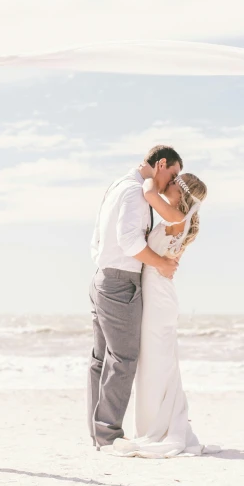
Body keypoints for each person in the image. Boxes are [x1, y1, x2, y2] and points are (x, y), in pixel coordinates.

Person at [109, 171, 221, 458]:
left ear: (179, 192)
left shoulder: (176, 218)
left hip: (159, 299)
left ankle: (155, 428)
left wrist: (147, 177)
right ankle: (154, 423)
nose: (165, 185)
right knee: (157, 361)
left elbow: (147, 193)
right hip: (159, 296)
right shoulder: (176, 220)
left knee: (156, 361)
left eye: (172, 183)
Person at [88, 145, 183, 449]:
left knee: (101, 360)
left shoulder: (118, 186)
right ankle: (108, 435)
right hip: (119, 282)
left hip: (102, 277)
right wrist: (162, 263)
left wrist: (104, 268)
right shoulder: (133, 193)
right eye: (173, 173)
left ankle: (99, 433)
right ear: (161, 164)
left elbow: (98, 238)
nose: (173, 182)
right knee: (123, 359)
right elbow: (129, 242)